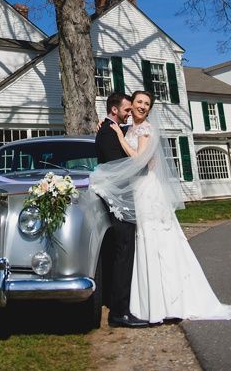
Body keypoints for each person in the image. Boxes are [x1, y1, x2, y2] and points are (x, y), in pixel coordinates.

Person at [93, 91, 231, 324]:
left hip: (147, 190)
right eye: (137, 103)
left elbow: (139, 159)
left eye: (146, 104)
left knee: (157, 241)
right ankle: (146, 302)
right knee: (143, 243)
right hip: (135, 191)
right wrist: (112, 126)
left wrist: (118, 133)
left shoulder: (144, 129)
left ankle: (167, 302)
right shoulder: (128, 128)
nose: (140, 107)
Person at [92, 92, 149, 328]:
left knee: (123, 254)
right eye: (126, 109)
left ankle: (121, 307)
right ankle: (119, 312)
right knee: (122, 254)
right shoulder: (107, 132)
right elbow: (117, 167)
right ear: (115, 110)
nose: (129, 113)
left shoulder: (113, 129)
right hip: (120, 202)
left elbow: (130, 139)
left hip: (123, 200)